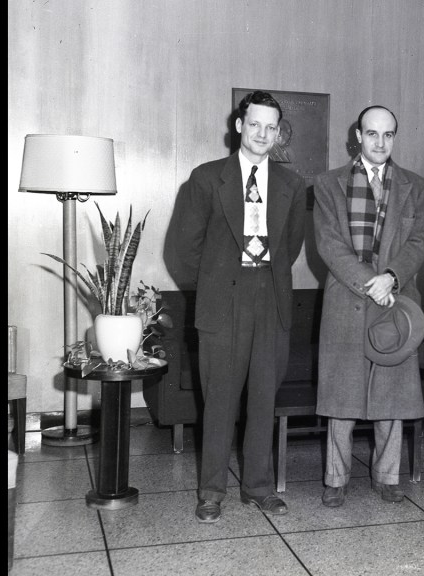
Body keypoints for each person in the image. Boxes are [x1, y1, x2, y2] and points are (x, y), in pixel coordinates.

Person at [165, 91, 308, 522]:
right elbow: (181, 251)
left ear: (278, 133)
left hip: (272, 301)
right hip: (221, 304)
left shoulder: (291, 184)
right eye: (256, 124)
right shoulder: (207, 178)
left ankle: (259, 487)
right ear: (239, 126)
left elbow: (291, 245)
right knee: (220, 400)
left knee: (264, 398)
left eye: (272, 127)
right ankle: (211, 491)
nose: (263, 134)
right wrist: (213, 288)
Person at [313, 105, 424, 507]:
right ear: (357, 136)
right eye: (372, 134)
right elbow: (329, 244)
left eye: (388, 135)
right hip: (347, 298)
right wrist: (371, 282)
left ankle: (387, 477)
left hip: (395, 301)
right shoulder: (328, 184)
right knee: (340, 398)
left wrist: (392, 278)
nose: (380, 142)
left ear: (395, 137)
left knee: (392, 397)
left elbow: (419, 241)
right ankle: (335, 479)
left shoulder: (416, 185)